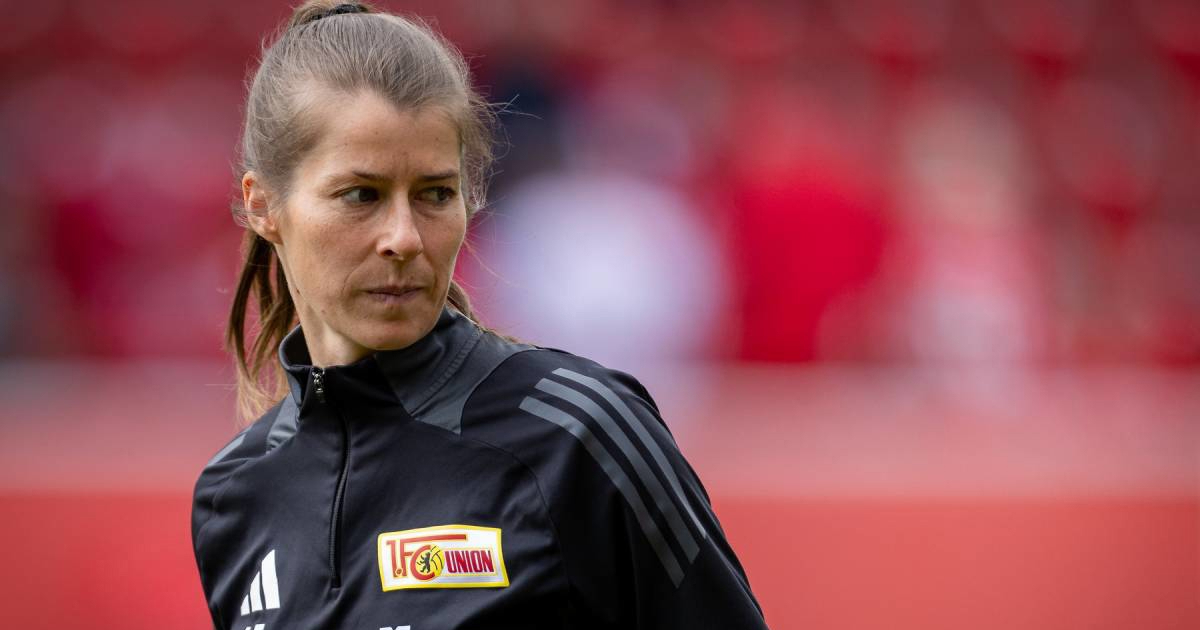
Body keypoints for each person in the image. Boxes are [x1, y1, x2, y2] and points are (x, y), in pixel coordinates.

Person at [191, 2, 769, 629]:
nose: (404, 237)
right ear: (263, 206)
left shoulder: (579, 434)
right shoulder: (234, 496)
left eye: (435, 194)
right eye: (361, 195)